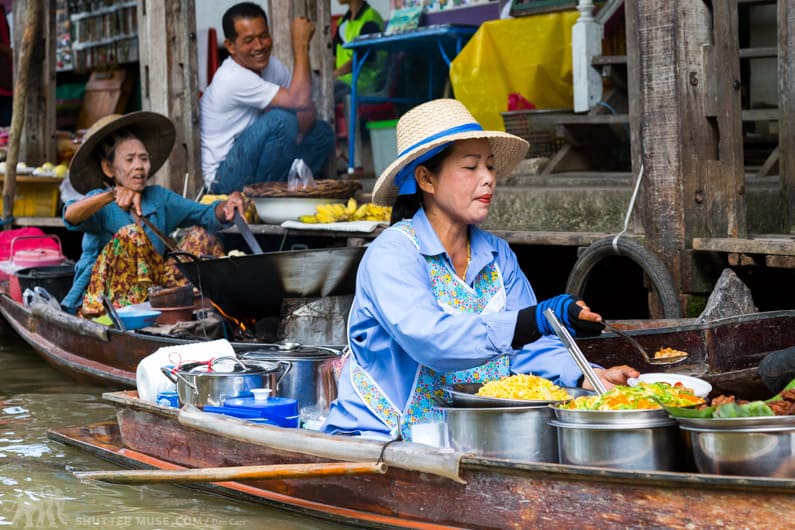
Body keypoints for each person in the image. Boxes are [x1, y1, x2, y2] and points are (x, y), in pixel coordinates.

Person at [323, 99, 638, 441]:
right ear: (426, 178)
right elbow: (433, 341)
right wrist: (530, 320)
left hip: (465, 437)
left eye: (489, 166)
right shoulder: (392, 253)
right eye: (471, 167)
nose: (488, 179)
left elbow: (526, 348)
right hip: (380, 440)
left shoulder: (497, 254)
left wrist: (587, 376)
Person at [62, 111, 245, 317]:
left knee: (202, 236)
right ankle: (122, 316)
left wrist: (229, 203)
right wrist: (111, 196)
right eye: (129, 159)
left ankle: (193, 310)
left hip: (153, 295)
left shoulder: (159, 198)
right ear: (108, 168)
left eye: (143, 158)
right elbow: (70, 215)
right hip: (105, 300)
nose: (139, 165)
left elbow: (207, 214)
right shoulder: (99, 200)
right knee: (131, 234)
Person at [200, 2, 335, 194]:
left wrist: (294, 134)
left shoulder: (272, 66)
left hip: (256, 165)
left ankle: (282, 192)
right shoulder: (230, 77)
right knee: (281, 121)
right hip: (224, 179)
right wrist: (301, 44)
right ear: (230, 46)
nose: (259, 46)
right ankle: (264, 199)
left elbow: (307, 106)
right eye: (249, 40)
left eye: (263, 36)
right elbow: (299, 100)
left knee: (322, 133)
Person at [332, 0, 386, 103]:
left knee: (329, 90)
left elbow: (362, 56)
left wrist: (335, 74)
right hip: (345, 78)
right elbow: (334, 55)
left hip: (364, 81)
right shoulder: (343, 22)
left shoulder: (371, 17)